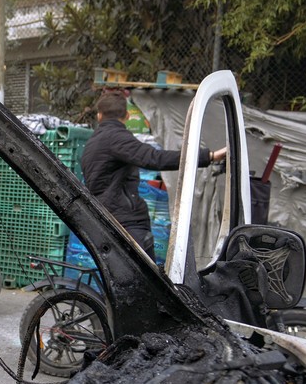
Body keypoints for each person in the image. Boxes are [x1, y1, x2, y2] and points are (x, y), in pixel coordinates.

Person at [81, 90, 226, 260]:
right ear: (127, 116)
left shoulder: (92, 142)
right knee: (144, 282)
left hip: (105, 217)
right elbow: (155, 158)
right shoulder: (116, 138)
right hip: (126, 222)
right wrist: (208, 156)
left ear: (99, 116)